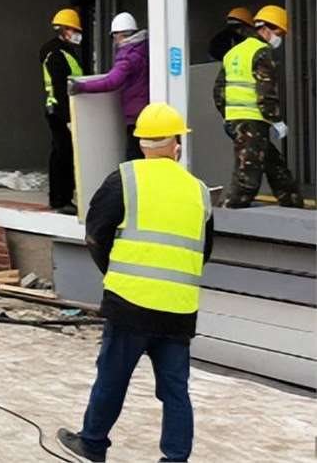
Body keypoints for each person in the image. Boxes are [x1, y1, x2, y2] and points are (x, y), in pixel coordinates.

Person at [56, 103, 212, 463]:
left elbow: (95, 234)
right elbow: (204, 250)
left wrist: (115, 271)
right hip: (178, 309)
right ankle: (175, 458)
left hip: (130, 302)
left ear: (141, 143)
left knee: (112, 377)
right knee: (175, 390)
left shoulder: (124, 179)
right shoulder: (199, 191)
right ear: (177, 144)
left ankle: (92, 443)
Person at [214, 5, 303, 208]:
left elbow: (218, 90)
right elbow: (266, 91)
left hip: (238, 120)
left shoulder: (233, 53)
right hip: (253, 121)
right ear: (267, 28)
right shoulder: (262, 53)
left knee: (274, 164)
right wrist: (276, 119)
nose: (280, 38)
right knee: (248, 176)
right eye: (279, 32)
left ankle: (292, 200)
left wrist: (228, 116)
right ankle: (227, 212)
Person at [71, 12, 149, 162]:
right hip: (148, 112)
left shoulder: (127, 56)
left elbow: (112, 81)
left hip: (136, 117)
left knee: (133, 161)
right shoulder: (145, 48)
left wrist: (81, 87)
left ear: (120, 35)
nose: (114, 41)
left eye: (114, 36)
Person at [41, 8, 85, 214]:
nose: (76, 34)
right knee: (63, 155)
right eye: (73, 30)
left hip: (61, 110)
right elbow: (60, 86)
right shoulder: (56, 53)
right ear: (62, 30)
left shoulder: (64, 52)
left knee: (61, 153)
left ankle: (61, 197)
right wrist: (67, 117)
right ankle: (60, 199)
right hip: (60, 111)